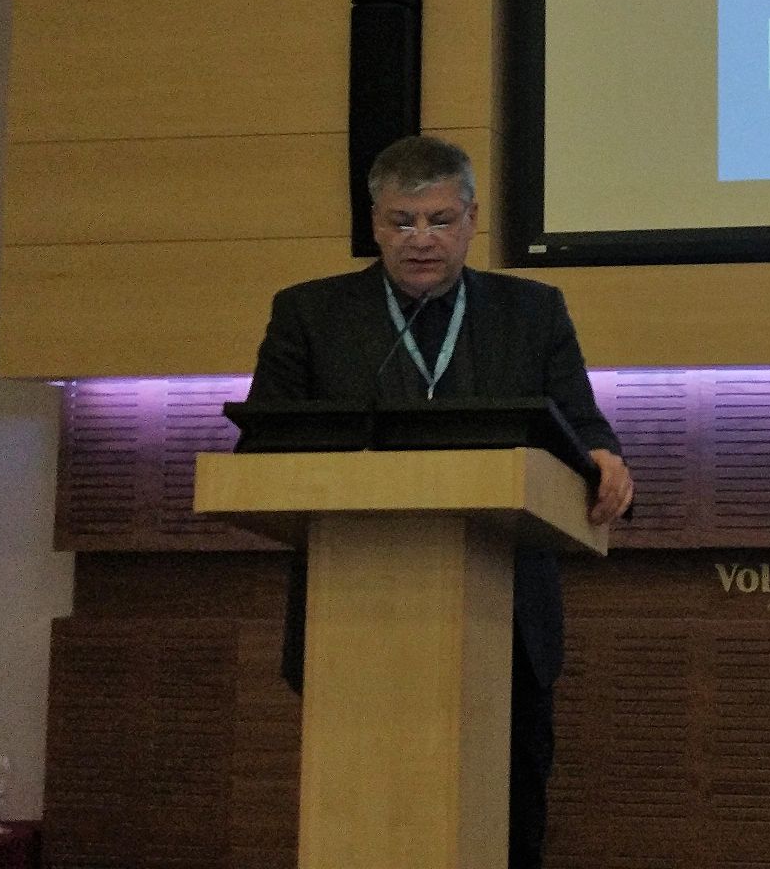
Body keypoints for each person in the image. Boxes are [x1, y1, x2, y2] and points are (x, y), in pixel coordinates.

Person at [245, 133, 634, 869]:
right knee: (361, 819)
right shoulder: (309, 314)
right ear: (374, 223)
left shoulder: (533, 312)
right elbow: (263, 448)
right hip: (353, 617)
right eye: (401, 221)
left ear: (472, 219)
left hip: (506, 622)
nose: (420, 239)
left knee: (508, 825)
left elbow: (582, 428)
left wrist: (604, 458)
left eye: (439, 220)